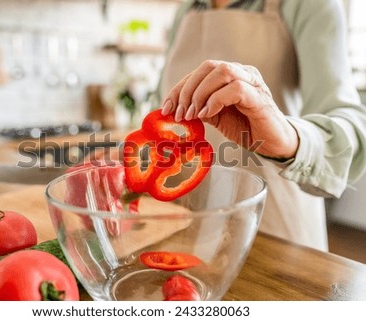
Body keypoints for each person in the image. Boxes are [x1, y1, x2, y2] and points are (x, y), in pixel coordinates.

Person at [157, 0, 366, 251]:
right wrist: (132, 156)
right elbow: (167, 119)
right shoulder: (187, 10)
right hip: (189, 231)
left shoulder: (310, 5)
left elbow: (352, 126)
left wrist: (289, 139)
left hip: (277, 235)